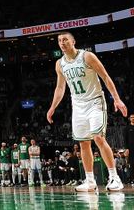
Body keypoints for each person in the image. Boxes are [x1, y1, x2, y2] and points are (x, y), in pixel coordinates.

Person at [47, 31, 127, 192]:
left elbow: (105, 77)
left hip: (95, 102)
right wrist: (52, 107)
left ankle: (114, 177)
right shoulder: (59, 64)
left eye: (65, 40)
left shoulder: (87, 56)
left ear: (73, 41)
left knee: (98, 137)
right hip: (78, 106)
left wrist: (117, 99)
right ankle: (90, 181)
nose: (62, 43)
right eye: (59, 41)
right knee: (83, 143)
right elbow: (60, 87)